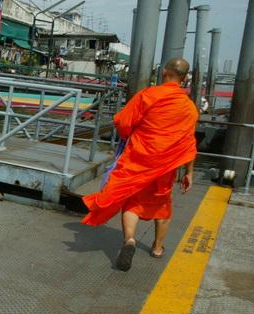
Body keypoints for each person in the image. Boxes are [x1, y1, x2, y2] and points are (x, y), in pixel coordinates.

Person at [82, 57, 198, 272]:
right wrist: (189, 172)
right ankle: (157, 248)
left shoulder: (148, 95)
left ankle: (130, 241)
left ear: (164, 72)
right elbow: (188, 142)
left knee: (132, 202)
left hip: (138, 158)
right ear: (185, 78)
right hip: (166, 165)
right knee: (162, 204)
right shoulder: (189, 108)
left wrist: (130, 136)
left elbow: (123, 122)